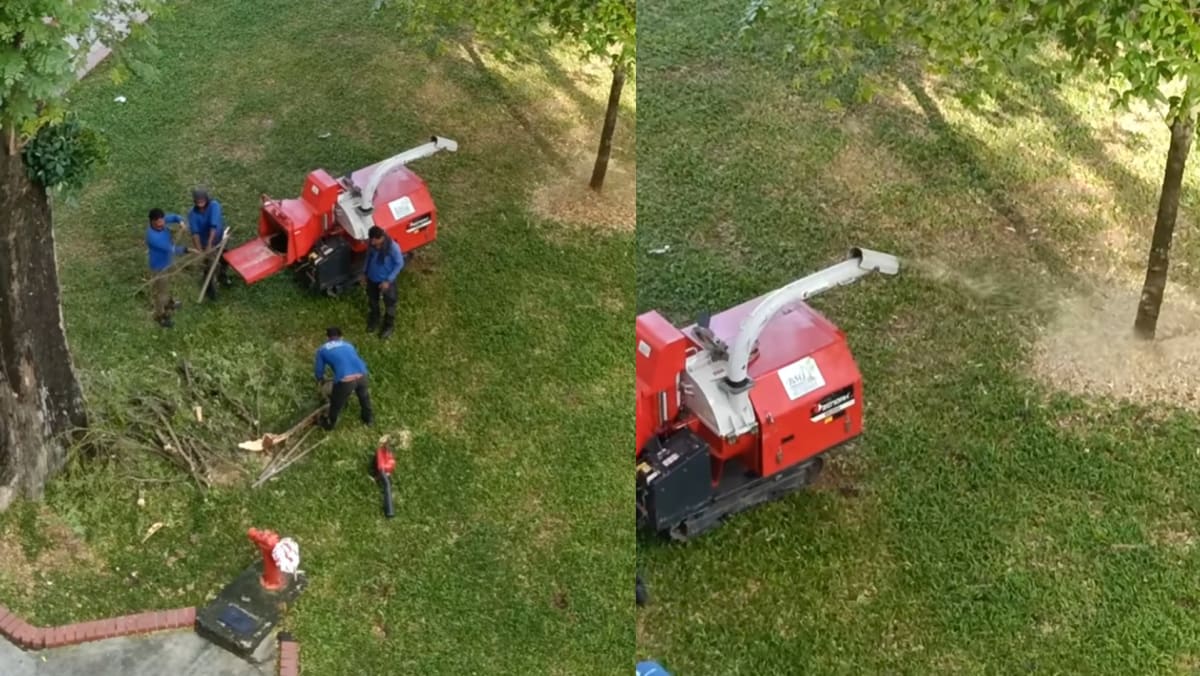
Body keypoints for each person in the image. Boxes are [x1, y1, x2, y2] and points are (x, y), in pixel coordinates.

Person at [313, 327, 374, 430]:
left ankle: (329, 424)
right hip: (362, 374)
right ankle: (368, 420)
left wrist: (320, 379)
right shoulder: (348, 345)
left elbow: (319, 370)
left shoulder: (322, 349)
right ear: (341, 337)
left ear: (327, 337)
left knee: (336, 404)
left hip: (345, 379)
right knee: (364, 398)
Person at [145, 208, 190, 328]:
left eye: (162, 222)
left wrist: (180, 221)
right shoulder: (153, 237)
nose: (161, 225)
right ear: (152, 222)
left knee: (167, 285)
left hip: (167, 262)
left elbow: (174, 217)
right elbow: (171, 249)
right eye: (158, 224)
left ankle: (169, 303)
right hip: (159, 267)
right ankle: (160, 315)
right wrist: (186, 249)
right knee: (161, 293)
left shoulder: (162, 221)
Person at [188, 186, 231, 300]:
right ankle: (210, 288)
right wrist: (200, 251)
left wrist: (209, 245)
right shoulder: (192, 214)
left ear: (206, 198)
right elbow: (195, 233)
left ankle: (223, 275)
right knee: (209, 265)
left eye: (202, 200)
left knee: (224, 258)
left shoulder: (214, 206)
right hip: (204, 243)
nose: (200, 202)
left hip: (218, 239)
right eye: (198, 201)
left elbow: (213, 226)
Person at [363, 225, 404, 339]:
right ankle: (375, 319)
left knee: (389, 304)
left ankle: (388, 326)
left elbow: (399, 263)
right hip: (372, 278)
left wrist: (388, 280)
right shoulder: (372, 246)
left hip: (386, 281)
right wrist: (365, 272)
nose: (372, 242)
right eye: (371, 239)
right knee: (372, 300)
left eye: (375, 240)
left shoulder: (392, 248)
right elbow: (368, 257)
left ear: (381, 237)